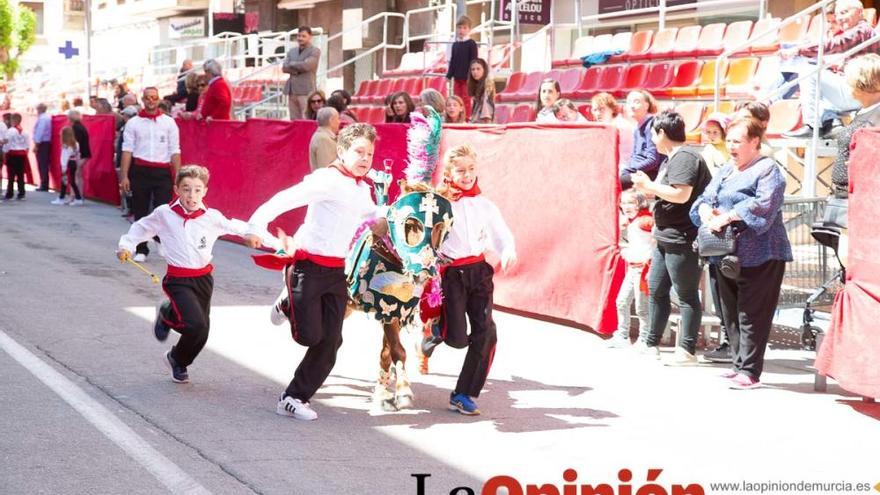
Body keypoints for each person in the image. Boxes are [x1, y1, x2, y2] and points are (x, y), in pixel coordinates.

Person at [245, 123, 383, 421]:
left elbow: (372, 216)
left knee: (332, 341)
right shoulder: (327, 180)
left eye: (369, 153)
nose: (365, 158)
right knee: (309, 336)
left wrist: (396, 212)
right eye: (359, 151)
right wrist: (256, 225)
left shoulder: (361, 189)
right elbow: (285, 198)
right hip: (307, 267)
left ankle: (293, 397)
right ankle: (286, 304)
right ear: (342, 151)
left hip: (336, 272)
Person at [117, 165, 277, 384]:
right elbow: (141, 227)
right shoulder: (165, 213)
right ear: (176, 189)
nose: (191, 195)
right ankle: (168, 313)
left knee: (202, 333)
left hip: (203, 279)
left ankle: (177, 360)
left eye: (197, 190)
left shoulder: (211, 217)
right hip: (177, 279)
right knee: (195, 324)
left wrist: (266, 240)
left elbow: (237, 227)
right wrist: (126, 245)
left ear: (205, 191)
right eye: (186, 189)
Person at [691, 117, 792, 389]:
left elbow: (764, 205)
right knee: (731, 311)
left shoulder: (767, 169)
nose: (732, 146)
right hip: (725, 252)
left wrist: (726, 217)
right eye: (730, 141)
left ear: (755, 141)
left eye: (738, 141)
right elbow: (704, 198)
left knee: (752, 313)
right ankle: (738, 364)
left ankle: (750, 371)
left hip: (761, 253)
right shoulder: (726, 169)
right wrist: (704, 212)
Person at [432, 144, 516, 415]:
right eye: (460, 170)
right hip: (451, 275)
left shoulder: (485, 205)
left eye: (471, 169)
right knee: (456, 339)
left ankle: (463, 393)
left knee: (486, 332)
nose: (467, 175)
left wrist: (507, 251)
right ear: (449, 172)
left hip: (479, 271)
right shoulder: (438, 203)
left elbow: (500, 233)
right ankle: (437, 329)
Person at [631, 110, 711, 365]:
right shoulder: (670, 159)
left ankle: (686, 349)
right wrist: (648, 188)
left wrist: (650, 186)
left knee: (686, 293)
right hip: (665, 235)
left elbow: (681, 195)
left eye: (653, 134)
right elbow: (666, 193)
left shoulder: (685, 157)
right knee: (656, 289)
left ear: (661, 133)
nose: (652, 140)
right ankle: (650, 342)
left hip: (682, 236)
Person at [782, 0, 876, 138]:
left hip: (859, 91)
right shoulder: (860, 33)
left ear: (860, 12)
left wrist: (799, 49)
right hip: (856, 91)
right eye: (838, 15)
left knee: (808, 71)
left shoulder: (863, 30)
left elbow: (836, 44)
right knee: (814, 76)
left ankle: (814, 125)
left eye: (844, 12)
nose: (840, 18)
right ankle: (832, 123)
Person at [120, 87, 182, 262]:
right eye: (147, 98)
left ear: (158, 99)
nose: (151, 101)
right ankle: (141, 248)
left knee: (163, 210)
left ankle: (159, 238)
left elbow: (175, 151)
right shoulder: (133, 123)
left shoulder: (169, 123)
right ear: (143, 100)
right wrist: (124, 175)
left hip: (162, 171)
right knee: (140, 210)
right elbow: (127, 150)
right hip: (140, 170)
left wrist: (179, 176)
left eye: (154, 98)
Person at [610, 189, 654, 348]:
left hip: (644, 269)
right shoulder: (634, 221)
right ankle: (622, 335)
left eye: (630, 202)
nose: (625, 206)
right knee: (622, 301)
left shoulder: (645, 221)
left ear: (639, 203)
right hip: (634, 268)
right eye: (623, 202)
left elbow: (656, 238)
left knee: (642, 307)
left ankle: (644, 339)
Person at [619, 90, 663, 189]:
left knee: (613, 184)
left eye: (636, 102)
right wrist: (626, 169)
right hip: (637, 170)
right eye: (629, 102)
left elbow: (653, 160)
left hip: (649, 173)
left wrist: (630, 169)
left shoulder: (651, 125)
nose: (632, 106)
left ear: (646, 106)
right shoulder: (637, 127)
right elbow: (635, 156)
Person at [283, 26, 321, 120]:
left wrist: (292, 64)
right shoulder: (292, 51)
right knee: (294, 120)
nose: (300, 38)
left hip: (306, 91)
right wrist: (298, 68)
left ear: (310, 37)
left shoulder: (315, 51)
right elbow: (284, 68)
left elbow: (307, 66)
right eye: (299, 36)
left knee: (306, 119)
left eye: (303, 36)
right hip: (292, 90)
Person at [591, 92, 636, 167]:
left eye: (601, 109)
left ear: (612, 109)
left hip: (624, 167)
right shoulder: (609, 125)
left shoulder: (619, 125)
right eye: (595, 110)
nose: (598, 113)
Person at [446, 16, 478, 120]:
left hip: (467, 78)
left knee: (466, 98)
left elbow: (474, 61)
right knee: (456, 99)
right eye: (459, 28)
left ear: (469, 29)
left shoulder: (471, 44)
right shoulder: (455, 45)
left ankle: (467, 117)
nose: (461, 30)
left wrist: (473, 75)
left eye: (464, 28)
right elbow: (453, 61)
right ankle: (457, 118)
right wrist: (449, 75)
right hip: (457, 78)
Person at [2, 113, 30, 201]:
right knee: (20, 174)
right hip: (22, 155)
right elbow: (27, 145)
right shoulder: (25, 132)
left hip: (13, 154)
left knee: (11, 175)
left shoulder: (11, 130)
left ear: (14, 120)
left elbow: (6, 141)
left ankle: (9, 193)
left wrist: (4, 148)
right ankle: (21, 193)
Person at [52, 127, 82, 205]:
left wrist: (63, 168)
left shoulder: (66, 146)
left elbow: (64, 157)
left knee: (64, 181)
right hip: (73, 163)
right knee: (72, 181)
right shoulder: (76, 144)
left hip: (68, 164)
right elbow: (78, 155)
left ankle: (62, 198)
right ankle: (77, 198)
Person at [68, 110, 92, 205]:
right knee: (78, 175)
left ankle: (74, 196)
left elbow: (75, 144)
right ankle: (79, 196)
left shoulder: (75, 128)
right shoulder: (81, 127)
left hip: (80, 154)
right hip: (84, 153)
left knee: (75, 175)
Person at [309, 107, 339, 171]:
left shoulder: (324, 136)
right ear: (331, 120)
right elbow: (325, 169)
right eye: (338, 119)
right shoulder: (323, 139)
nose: (339, 122)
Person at [467, 58, 495, 123]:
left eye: (478, 69)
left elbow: (486, 112)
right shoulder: (475, 86)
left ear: (484, 70)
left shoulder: (488, 83)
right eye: (473, 69)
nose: (475, 72)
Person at [32, 103, 52, 192]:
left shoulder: (43, 118)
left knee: (42, 164)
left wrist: (36, 144)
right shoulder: (46, 117)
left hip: (42, 143)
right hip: (45, 142)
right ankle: (44, 183)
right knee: (43, 163)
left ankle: (44, 184)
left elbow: (40, 132)